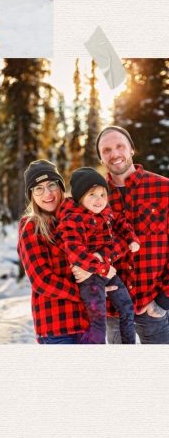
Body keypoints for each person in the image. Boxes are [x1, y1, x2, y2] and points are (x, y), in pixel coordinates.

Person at [90, 126, 169, 343]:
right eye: (106, 150)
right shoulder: (94, 199)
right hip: (113, 310)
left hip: (154, 307)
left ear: (131, 149)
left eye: (119, 146)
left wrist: (163, 301)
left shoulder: (164, 190)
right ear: (101, 157)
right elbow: (83, 249)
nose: (114, 154)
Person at [58, 167, 139, 343]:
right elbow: (75, 253)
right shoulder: (73, 218)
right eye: (92, 194)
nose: (99, 200)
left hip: (106, 271)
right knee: (97, 321)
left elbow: (121, 222)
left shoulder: (106, 211)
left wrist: (131, 238)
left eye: (103, 194)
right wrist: (102, 268)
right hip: (91, 278)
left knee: (127, 308)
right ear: (80, 197)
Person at [16, 160, 89, 344]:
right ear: (32, 195)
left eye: (51, 185)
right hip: (57, 329)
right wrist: (86, 293)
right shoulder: (30, 227)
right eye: (38, 188)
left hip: (88, 323)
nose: (47, 194)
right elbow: (41, 280)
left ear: (61, 187)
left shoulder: (78, 219)